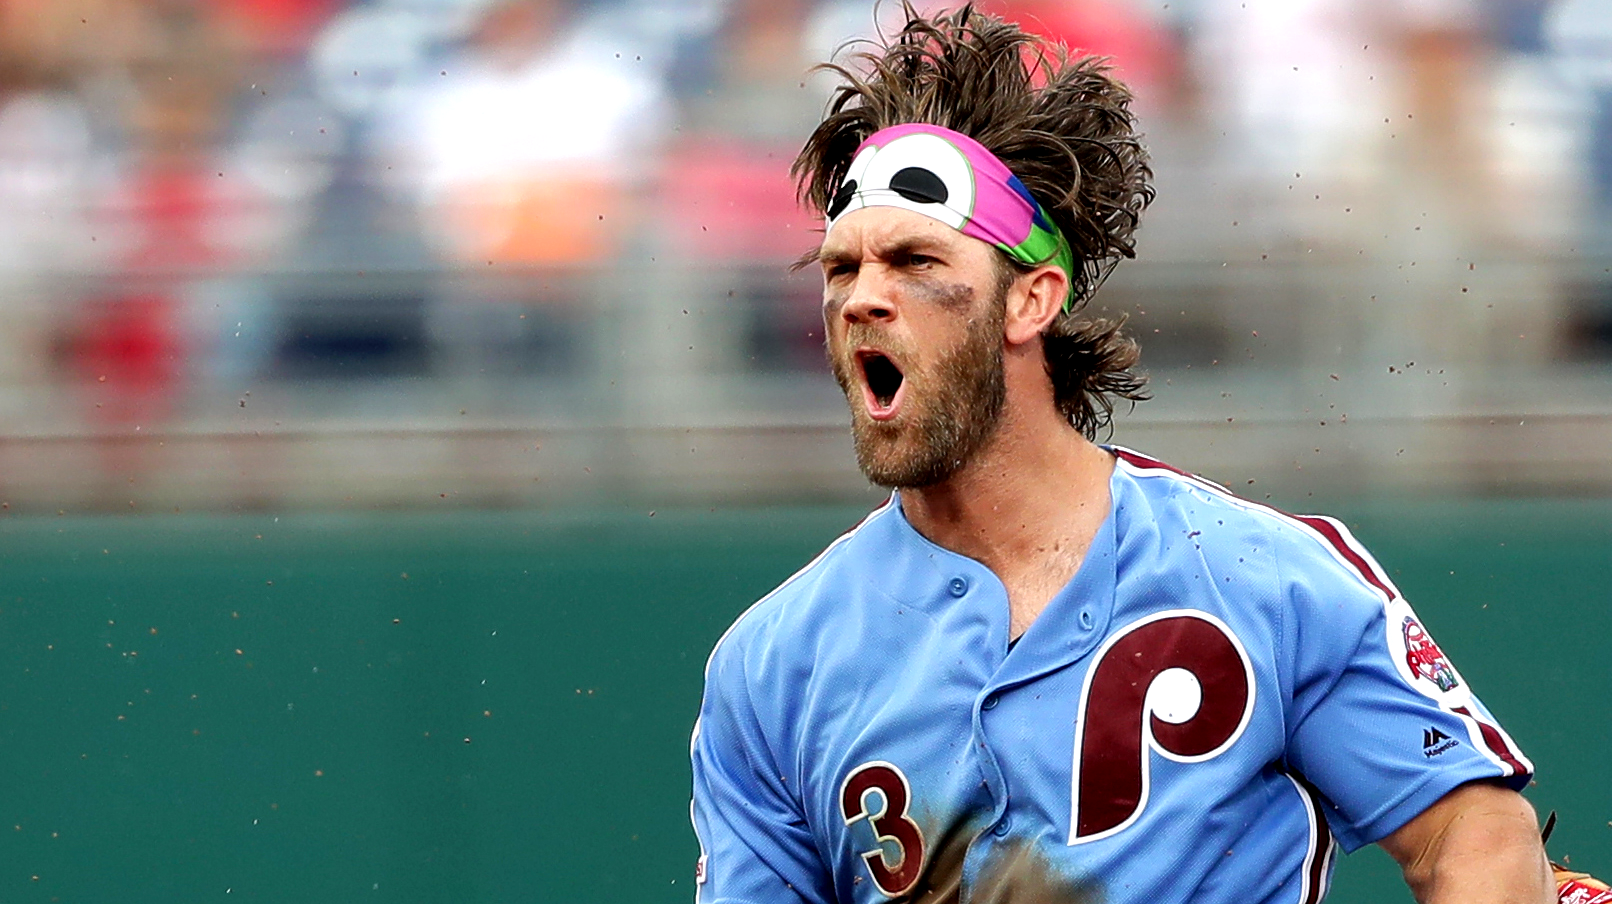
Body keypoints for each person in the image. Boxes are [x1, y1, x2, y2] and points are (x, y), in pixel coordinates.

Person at [689, 6, 1562, 904]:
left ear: (1031, 301)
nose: (862, 298)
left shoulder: (1265, 577)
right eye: (841, 270)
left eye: (913, 260)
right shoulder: (769, 665)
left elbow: (1468, 826)